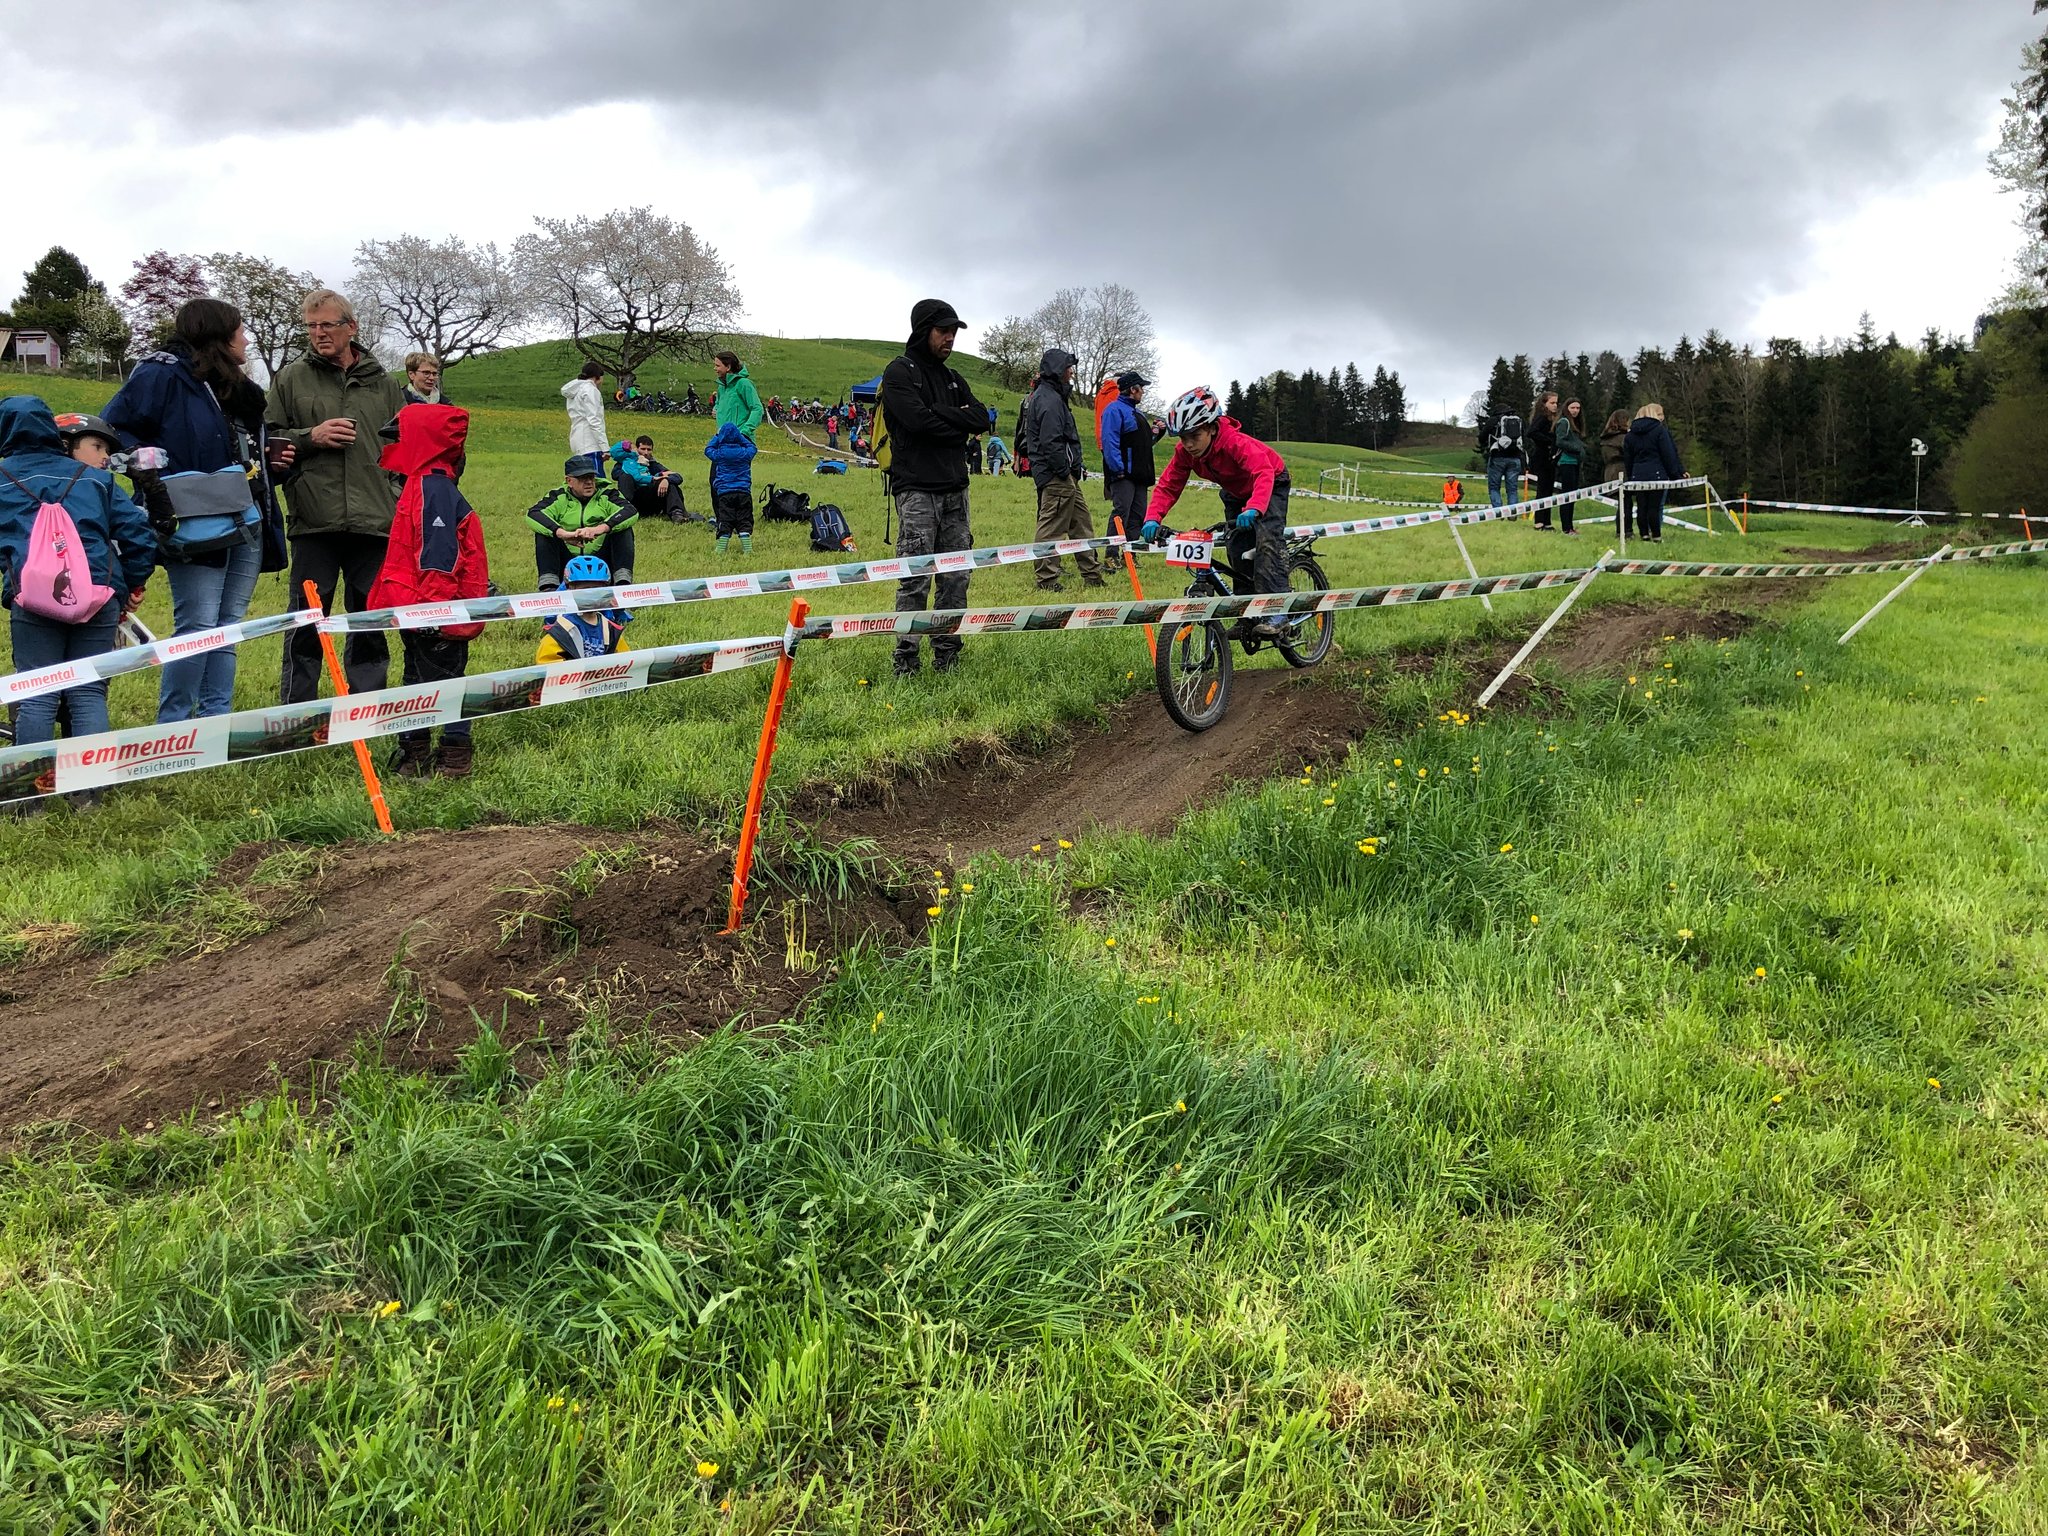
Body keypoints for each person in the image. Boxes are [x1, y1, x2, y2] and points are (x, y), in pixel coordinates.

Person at [102, 298, 278, 722]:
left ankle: (216, 722)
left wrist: (274, 458)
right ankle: (175, 726)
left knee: (228, 627)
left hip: (247, 516)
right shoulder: (160, 374)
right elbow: (113, 429)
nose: (246, 340)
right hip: (191, 520)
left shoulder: (236, 388)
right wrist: (152, 476)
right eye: (240, 331)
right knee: (198, 626)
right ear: (219, 335)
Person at [269, 288, 406, 703]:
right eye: (311, 326)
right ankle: (298, 713)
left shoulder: (385, 384)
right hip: (315, 518)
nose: (319, 333)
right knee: (307, 620)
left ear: (352, 327)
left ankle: (367, 706)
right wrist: (310, 437)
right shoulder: (290, 378)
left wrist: (393, 494)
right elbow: (268, 439)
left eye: (327, 324)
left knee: (369, 621)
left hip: (375, 520)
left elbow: (403, 448)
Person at [0, 396, 156, 757]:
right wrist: (130, 584)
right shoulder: (96, 480)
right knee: (88, 691)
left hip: (32, 597)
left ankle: (34, 785)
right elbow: (139, 535)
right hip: (98, 594)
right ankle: (90, 783)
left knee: (37, 692)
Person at [365, 402, 488, 778]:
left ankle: (454, 756)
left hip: (433, 610)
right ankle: (413, 752)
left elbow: (439, 555)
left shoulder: (432, 488)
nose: (395, 446)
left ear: (423, 442)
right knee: (416, 679)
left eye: (403, 438)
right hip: (415, 606)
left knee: (444, 684)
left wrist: (435, 610)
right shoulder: (424, 483)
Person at [878, 297, 986, 678]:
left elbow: (981, 418)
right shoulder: (899, 372)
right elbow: (917, 423)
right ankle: (906, 659)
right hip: (916, 491)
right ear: (924, 330)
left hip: (957, 490)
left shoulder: (953, 378)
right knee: (915, 577)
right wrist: (957, 424)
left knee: (956, 576)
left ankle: (948, 653)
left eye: (954, 331)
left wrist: (941, 415)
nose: (950, 338)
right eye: (943, 331)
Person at [1140, 386, 1289, 642]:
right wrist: (1152, 517)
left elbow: (1263, 471)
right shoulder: (1185, 453)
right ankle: (1248, 615)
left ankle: (1276, 611)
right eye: (1183, 438)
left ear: (1210, 427)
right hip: (1235, 491)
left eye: (1194, 436)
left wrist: (1255, 507)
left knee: (1267, 542)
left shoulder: (1234, 443)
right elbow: (1168, 485)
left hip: (1270, 482)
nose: (1188, 444)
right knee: (1237, 548)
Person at [1023, 348, 1103, 592]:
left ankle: (1092, 575)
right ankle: (1046, 580)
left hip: (1064, 476)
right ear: (1058, 370)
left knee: (1082, 524)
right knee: (1051, 528)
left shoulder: (1052, 397)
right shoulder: (1049, 400)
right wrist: (1063, 471)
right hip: (1056, 476)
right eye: (1069, 367)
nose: (1071, 372)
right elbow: (1051, 442)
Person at [527, 458, 636, 589]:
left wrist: (599, 529)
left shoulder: (608, 494)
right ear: (569, 481)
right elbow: (534, 514)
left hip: (602, 560)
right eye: (582, 478)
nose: (589, 482)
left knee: (623, 528)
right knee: (544, 532)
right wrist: (564, 534)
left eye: (591, 477)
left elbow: (630, 511)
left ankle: (623, 584)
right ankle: (549, 586)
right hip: (567, 560)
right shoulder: (558, 496)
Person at [1098, 370, 1159, 544]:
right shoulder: (1113, 410)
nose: (1143, 392)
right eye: (1141, 388)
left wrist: (1158, 433)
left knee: (1138, 516)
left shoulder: (1138, 414)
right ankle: (1112, 554)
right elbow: (1109, 441)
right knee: (1121, 513)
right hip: (1123, 474)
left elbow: (1144, 444)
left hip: (1140, 475)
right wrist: (1117, 470)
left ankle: (1131, 554)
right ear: (1133, 389)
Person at [535, 554, 633, 661]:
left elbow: (627, 661)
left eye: (596, 589)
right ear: (570, 589)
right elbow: (548, 664)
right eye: (585, 589)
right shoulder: (560, 631)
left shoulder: (610, 630)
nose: (591, 595)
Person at [1622, 403, 1683, 543]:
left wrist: (1631, 475)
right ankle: (1656, 534)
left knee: (1641, 506)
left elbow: (1628, 458)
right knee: (1654, 507)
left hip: (1638, 474)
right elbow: (1668, 454)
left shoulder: (1630, 435)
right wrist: (1675, 474)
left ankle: (1643, 533)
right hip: (1657, 473)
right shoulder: (1660, 431)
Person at [610, 434, 694, 523]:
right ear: (637, 449)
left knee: (670, 484)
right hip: (634, 498)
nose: (646, 452)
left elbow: (677, 476)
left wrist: (665, 480)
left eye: (649, 449)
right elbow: (615, 474)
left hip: (651, 500)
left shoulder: (653, 465)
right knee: (625, 477)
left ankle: (677, 514)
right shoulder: (626, 463)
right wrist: (637, 472)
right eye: (643, 449)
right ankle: (626, 510)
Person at [704, 420, 757, 553]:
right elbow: (752, 447)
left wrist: (717, 436)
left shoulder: (719, 454)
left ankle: (721, 549)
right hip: (743, 492)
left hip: (725, 493)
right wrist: (741, 437)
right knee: (744, 519)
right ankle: (747, 549)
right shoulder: (745, 453)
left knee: (725, 519)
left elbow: (708, 450)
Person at [561, 359, 608, 475]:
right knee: (596, 479)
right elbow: (594, 420)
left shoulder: (576, 390)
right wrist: (605, 447)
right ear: (598, 377)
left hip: (577, 439)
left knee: (583, 477)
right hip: (590, 441)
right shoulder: (591, 390)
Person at [1552, 398, 1589, 536]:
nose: (1575, 411)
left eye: (1578, 408)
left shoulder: (1576, 424)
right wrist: (1577, 448)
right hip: (1566, 462)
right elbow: (1560, 441)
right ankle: (1566, 528)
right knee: (1567, 496)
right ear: (1566, 408)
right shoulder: (1563, 422)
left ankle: (1570, 526)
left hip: (1575, 462)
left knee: (1572, 496)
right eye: (1572, 408)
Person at [1476, 405, 1524, 509]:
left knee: (1494, 487)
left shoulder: (1494, 420)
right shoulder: (1517, 421)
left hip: (1498, 457)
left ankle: (1498, 512)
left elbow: (1482, 437)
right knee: (1512, 489)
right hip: (1515, 457)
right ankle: (1513, 512)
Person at [1526, 391, 1560, 526]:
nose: (1555, 405)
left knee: (1548, 489)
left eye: (1556, 403)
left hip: (1549, 457)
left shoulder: (1552, 418)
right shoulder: (1542, 417)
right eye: (1552, 403)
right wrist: (1549, 441)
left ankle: (1547, 521)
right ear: (1544, 404)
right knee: (1542, 489)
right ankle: (1539, 520)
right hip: (1542, 457)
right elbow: (1531, 432)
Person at [1599, 408, 1631, 534]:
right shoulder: (1623, 438)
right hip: (1621, 471)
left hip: (1610, 472)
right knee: (1626, 504)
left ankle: (1622, 530)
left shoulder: (1606, 437)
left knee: (1622, 503)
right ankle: (1625, 530)